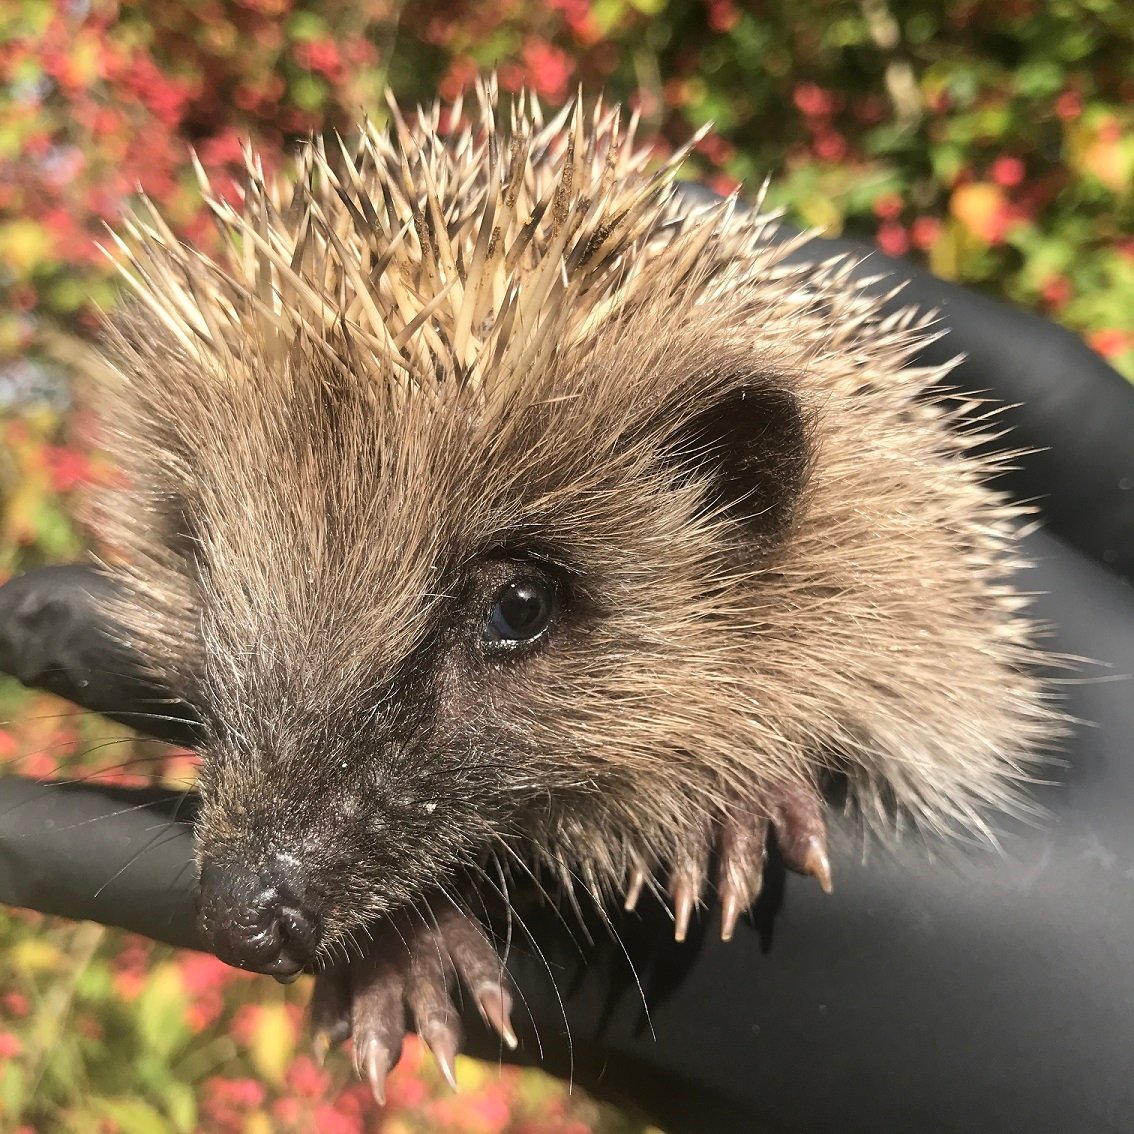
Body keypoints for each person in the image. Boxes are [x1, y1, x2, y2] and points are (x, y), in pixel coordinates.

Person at [1, 217, 1132, 1134]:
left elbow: (932, 711)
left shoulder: (824, 588)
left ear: (731, 490)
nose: (248, 905)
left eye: (514, 612)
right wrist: (403, 906)